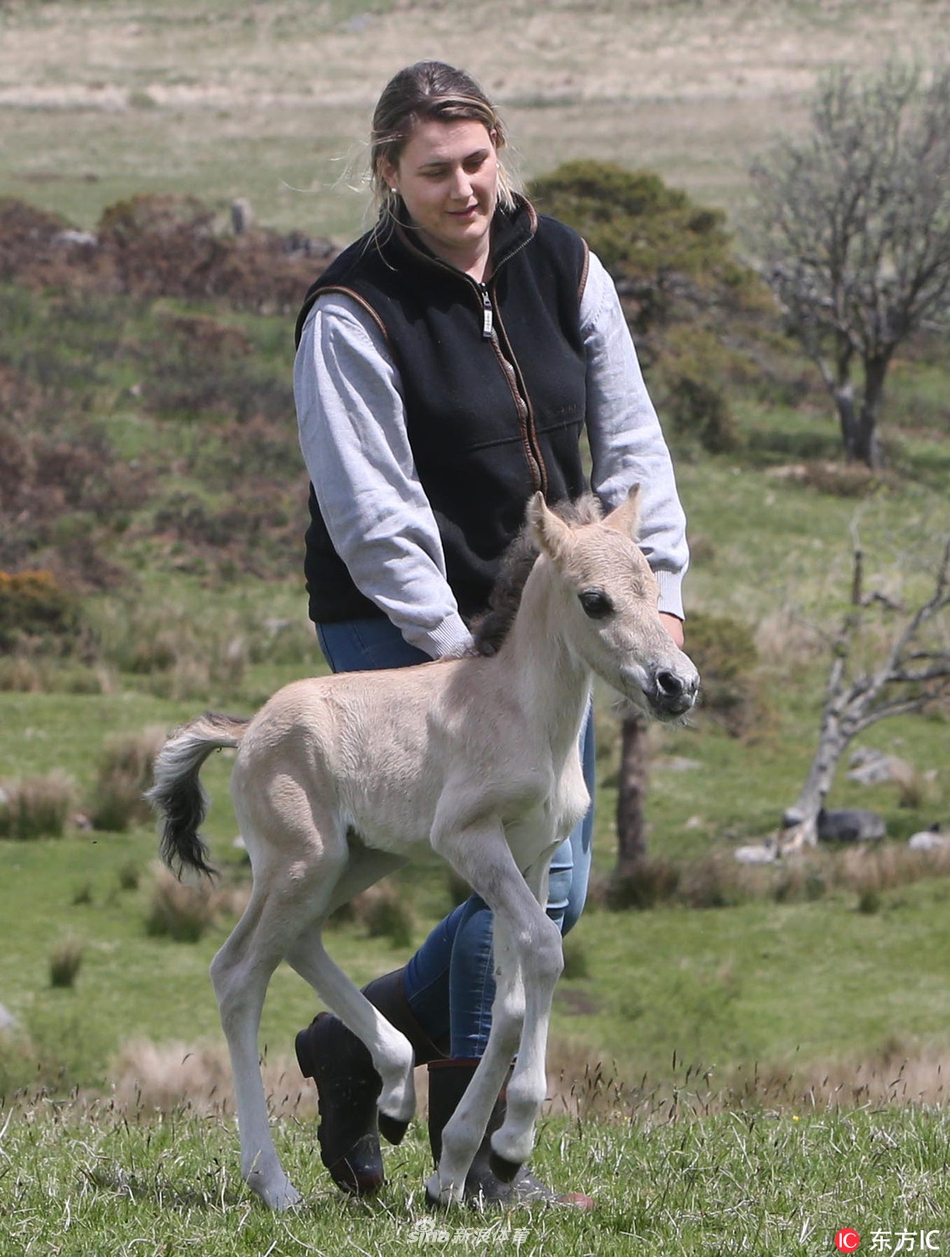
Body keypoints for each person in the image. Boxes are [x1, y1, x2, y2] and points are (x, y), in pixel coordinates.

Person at [291, 60, 688, 1207]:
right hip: (403, 630)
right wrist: (452, 660)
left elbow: (631, 449)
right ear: (386, 174)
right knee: (520, 870)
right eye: (432, 171)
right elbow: (373, 516)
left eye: (476, 161)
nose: (463, 188)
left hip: (563, 618)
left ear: (498, 151)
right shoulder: (352, 310)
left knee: (545, 885)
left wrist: (658, 603)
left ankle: (357, 1046)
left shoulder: (559, 259)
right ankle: (480, 1168)